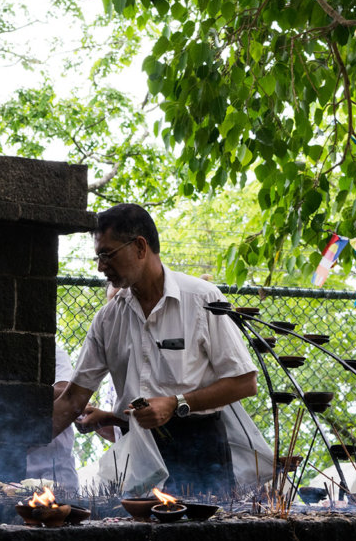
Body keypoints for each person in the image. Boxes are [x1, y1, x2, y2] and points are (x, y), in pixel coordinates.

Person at [52, 203, 262, 496]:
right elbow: (73, 398)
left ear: (140, 247)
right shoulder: (108, 318)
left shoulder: (201, 300)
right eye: (98, 256)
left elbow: (245, 382)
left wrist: (177, 403)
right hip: (136, 456)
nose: (100, 266)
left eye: (107, 254)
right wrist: (13, 447)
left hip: (200, 453)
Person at [25, 347, 80, 491]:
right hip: (13, 469)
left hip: (54, 471)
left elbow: (66, 392)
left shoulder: (53, 353)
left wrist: (21, 393)